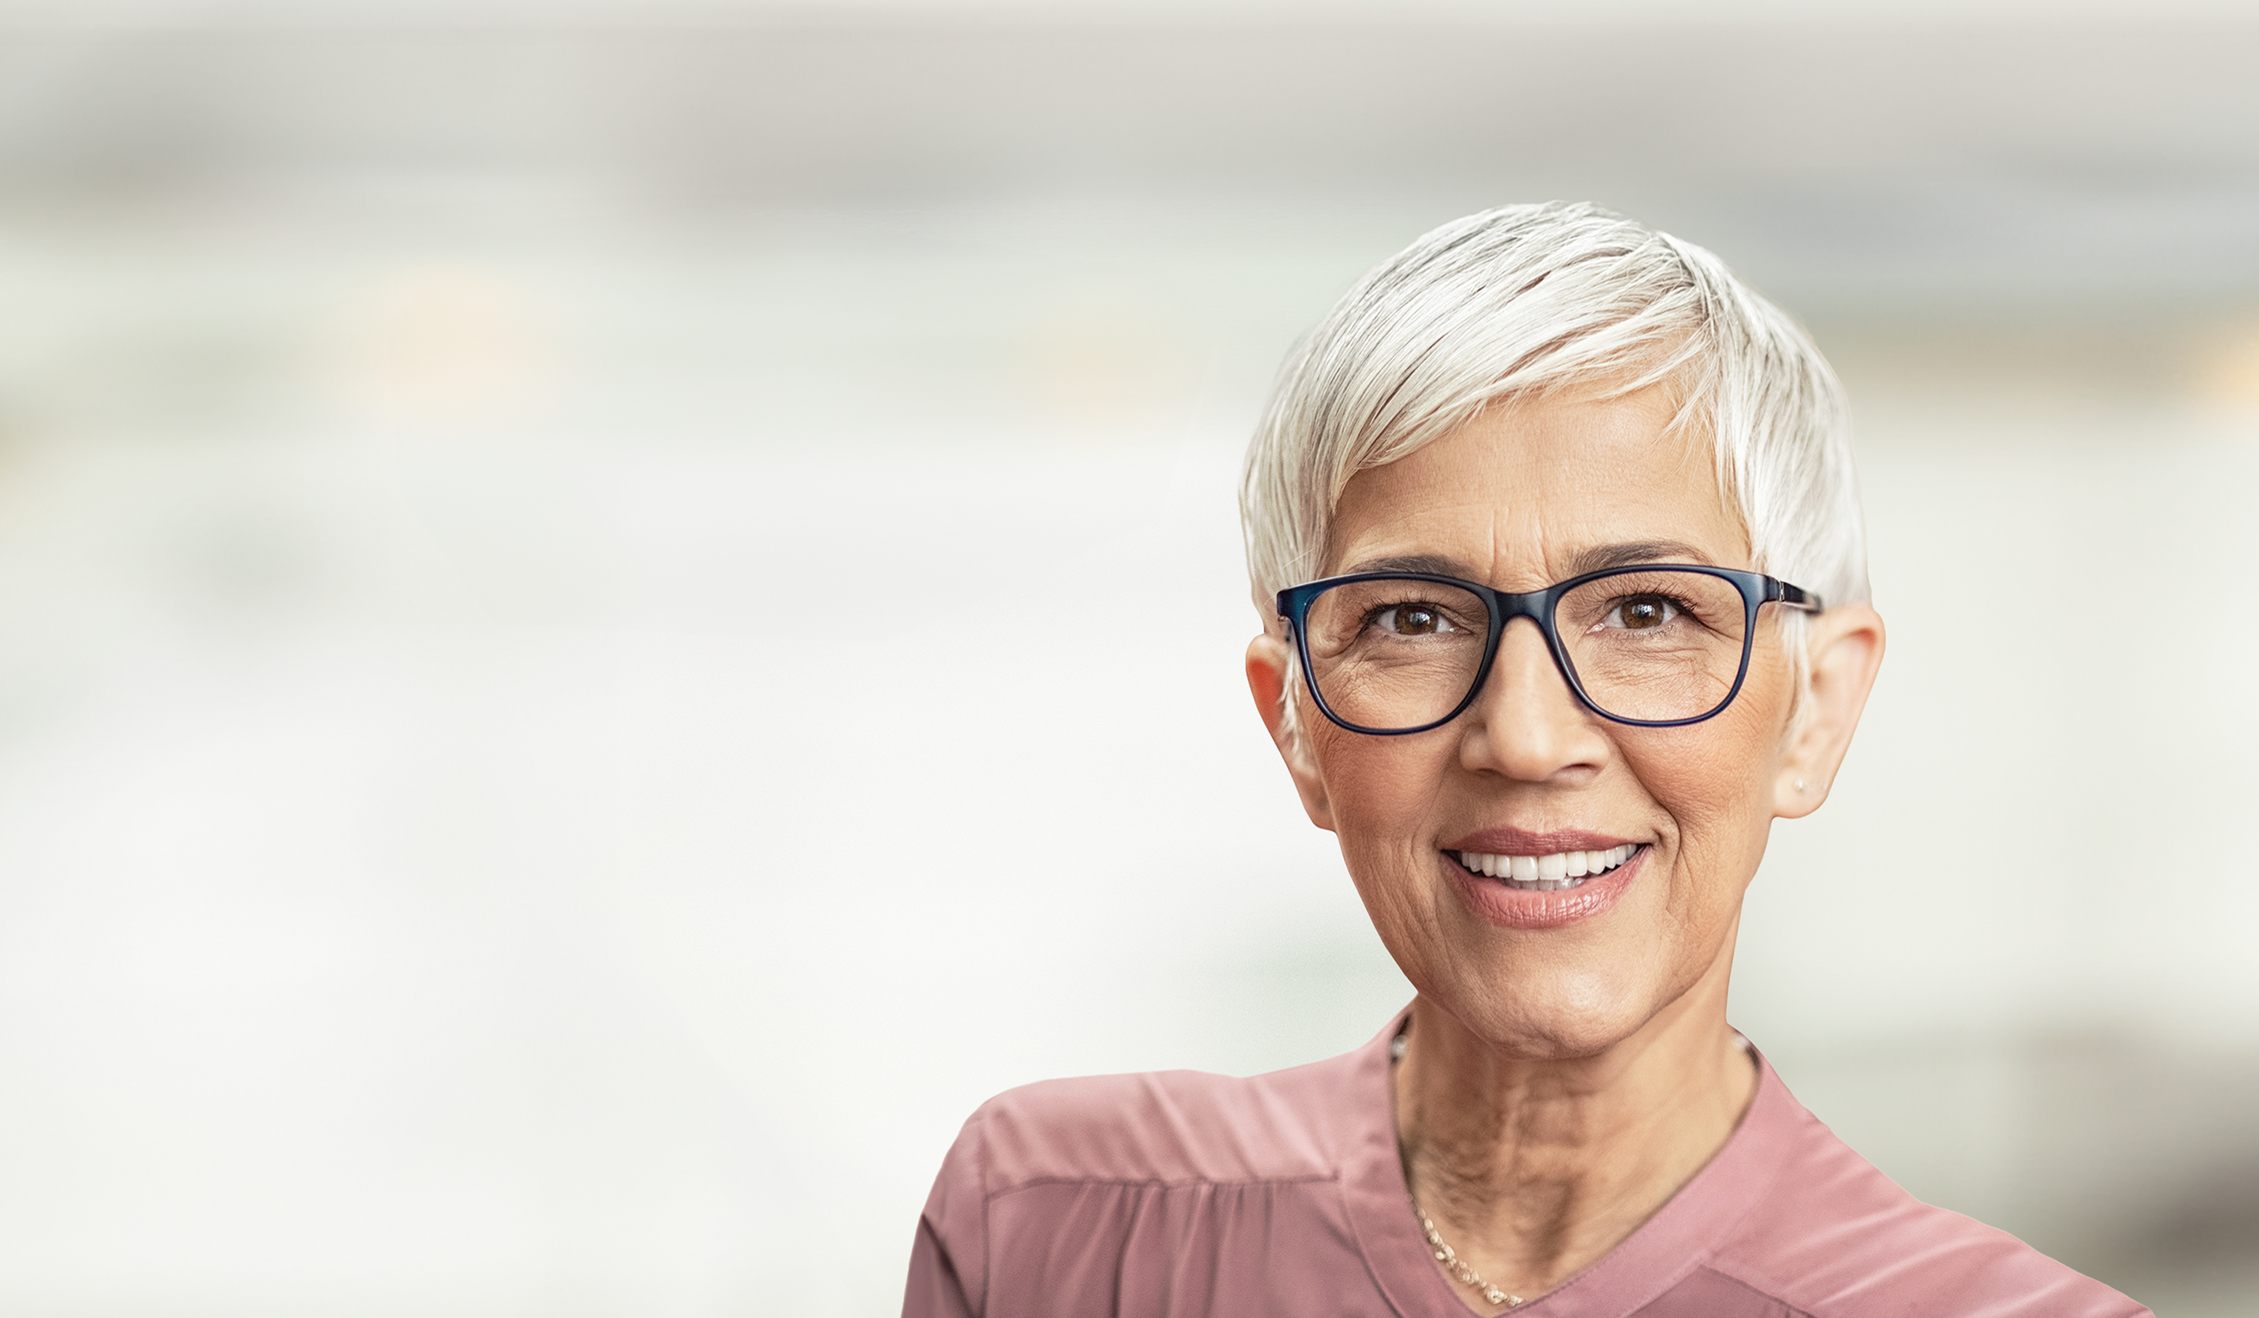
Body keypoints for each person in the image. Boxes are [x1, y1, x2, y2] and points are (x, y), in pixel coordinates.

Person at [899, 202, 2149, 1317]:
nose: (1528, 738)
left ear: (1816, 709)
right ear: (1295, 725)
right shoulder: (1051, 1234)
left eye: (1649, 612)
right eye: (1410, 620)